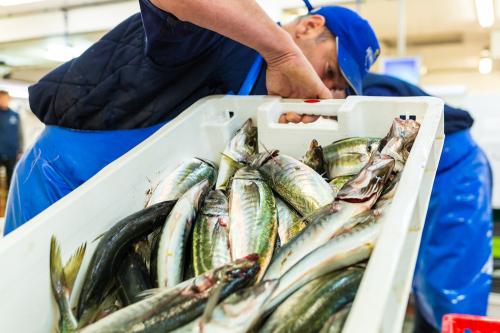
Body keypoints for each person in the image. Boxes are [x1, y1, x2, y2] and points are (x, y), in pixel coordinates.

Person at [4, 0, 380, 235]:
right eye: (329, 71)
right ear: (310, 26)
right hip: (61, 181)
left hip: (128, 209)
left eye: (337, 88)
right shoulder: (222, 29)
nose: (325, 89)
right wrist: (284, 55)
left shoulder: (265, 93)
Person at [362, 73, 492, 333]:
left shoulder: (369, 93)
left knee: (451, 290)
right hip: (428, 178)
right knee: (424, 282)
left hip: (458, 173)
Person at [0, 90, 22, 190]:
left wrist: (20, 149)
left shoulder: (15, 115)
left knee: (11, 181)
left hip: (12, 153)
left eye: (5, 98)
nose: (3, 100)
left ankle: (9, 203)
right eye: (1, 98)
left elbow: (19, 133)